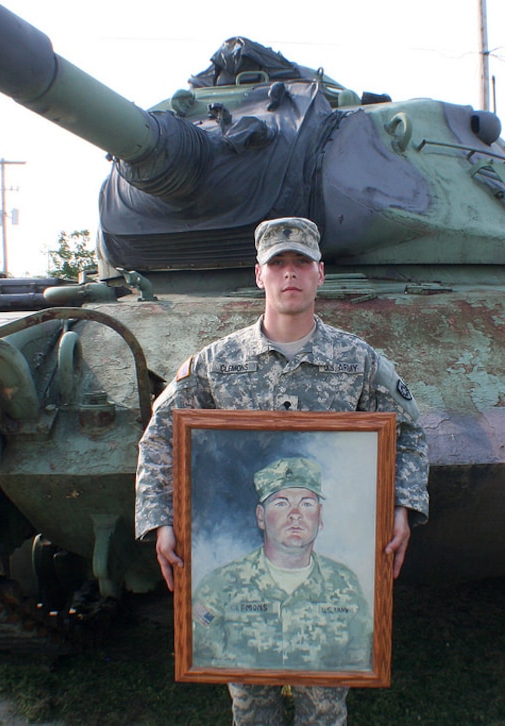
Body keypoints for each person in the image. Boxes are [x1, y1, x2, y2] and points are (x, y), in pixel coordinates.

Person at [135, 216, 429, 726]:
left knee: (327, 702)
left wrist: (403, 507)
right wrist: (161, 519)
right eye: (277, 264)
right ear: (259, 275)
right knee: (250, 702)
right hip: (245, 589)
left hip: (329, 584)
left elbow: (408, 435)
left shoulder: (357, 361)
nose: (288, 274)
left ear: (320, 274)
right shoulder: (215, 363)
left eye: (300, 264)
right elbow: (161, 437)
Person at [192, 457, 373, 672]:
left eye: (306, 503)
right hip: (251, 688)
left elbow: (360, 654)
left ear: (320, 515)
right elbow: (203, 650)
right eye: (281, 503)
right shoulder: (219, 585)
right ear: (261, 516)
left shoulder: (345, 583)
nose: (295, 514)